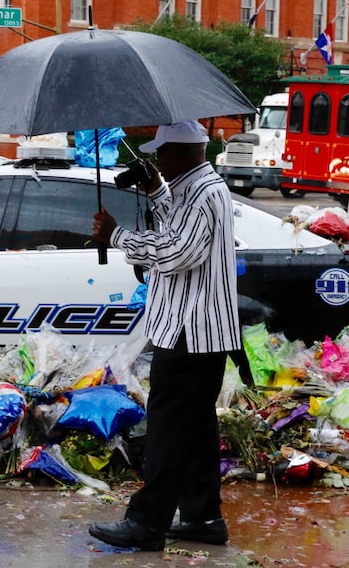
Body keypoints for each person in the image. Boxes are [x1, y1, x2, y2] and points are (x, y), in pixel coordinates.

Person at [88, 121, 241, 551]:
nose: (156, 159)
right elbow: (177, 225)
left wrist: (116, 235)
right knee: (194, 431)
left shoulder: (206, 192)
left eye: (162, 152)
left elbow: (176, 252)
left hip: (192, 333)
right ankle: (203, 517)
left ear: (184, 151)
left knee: (168, 433)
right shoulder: (193, 189)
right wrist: (156, 190)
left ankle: (146, 523)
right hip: (189, 331)